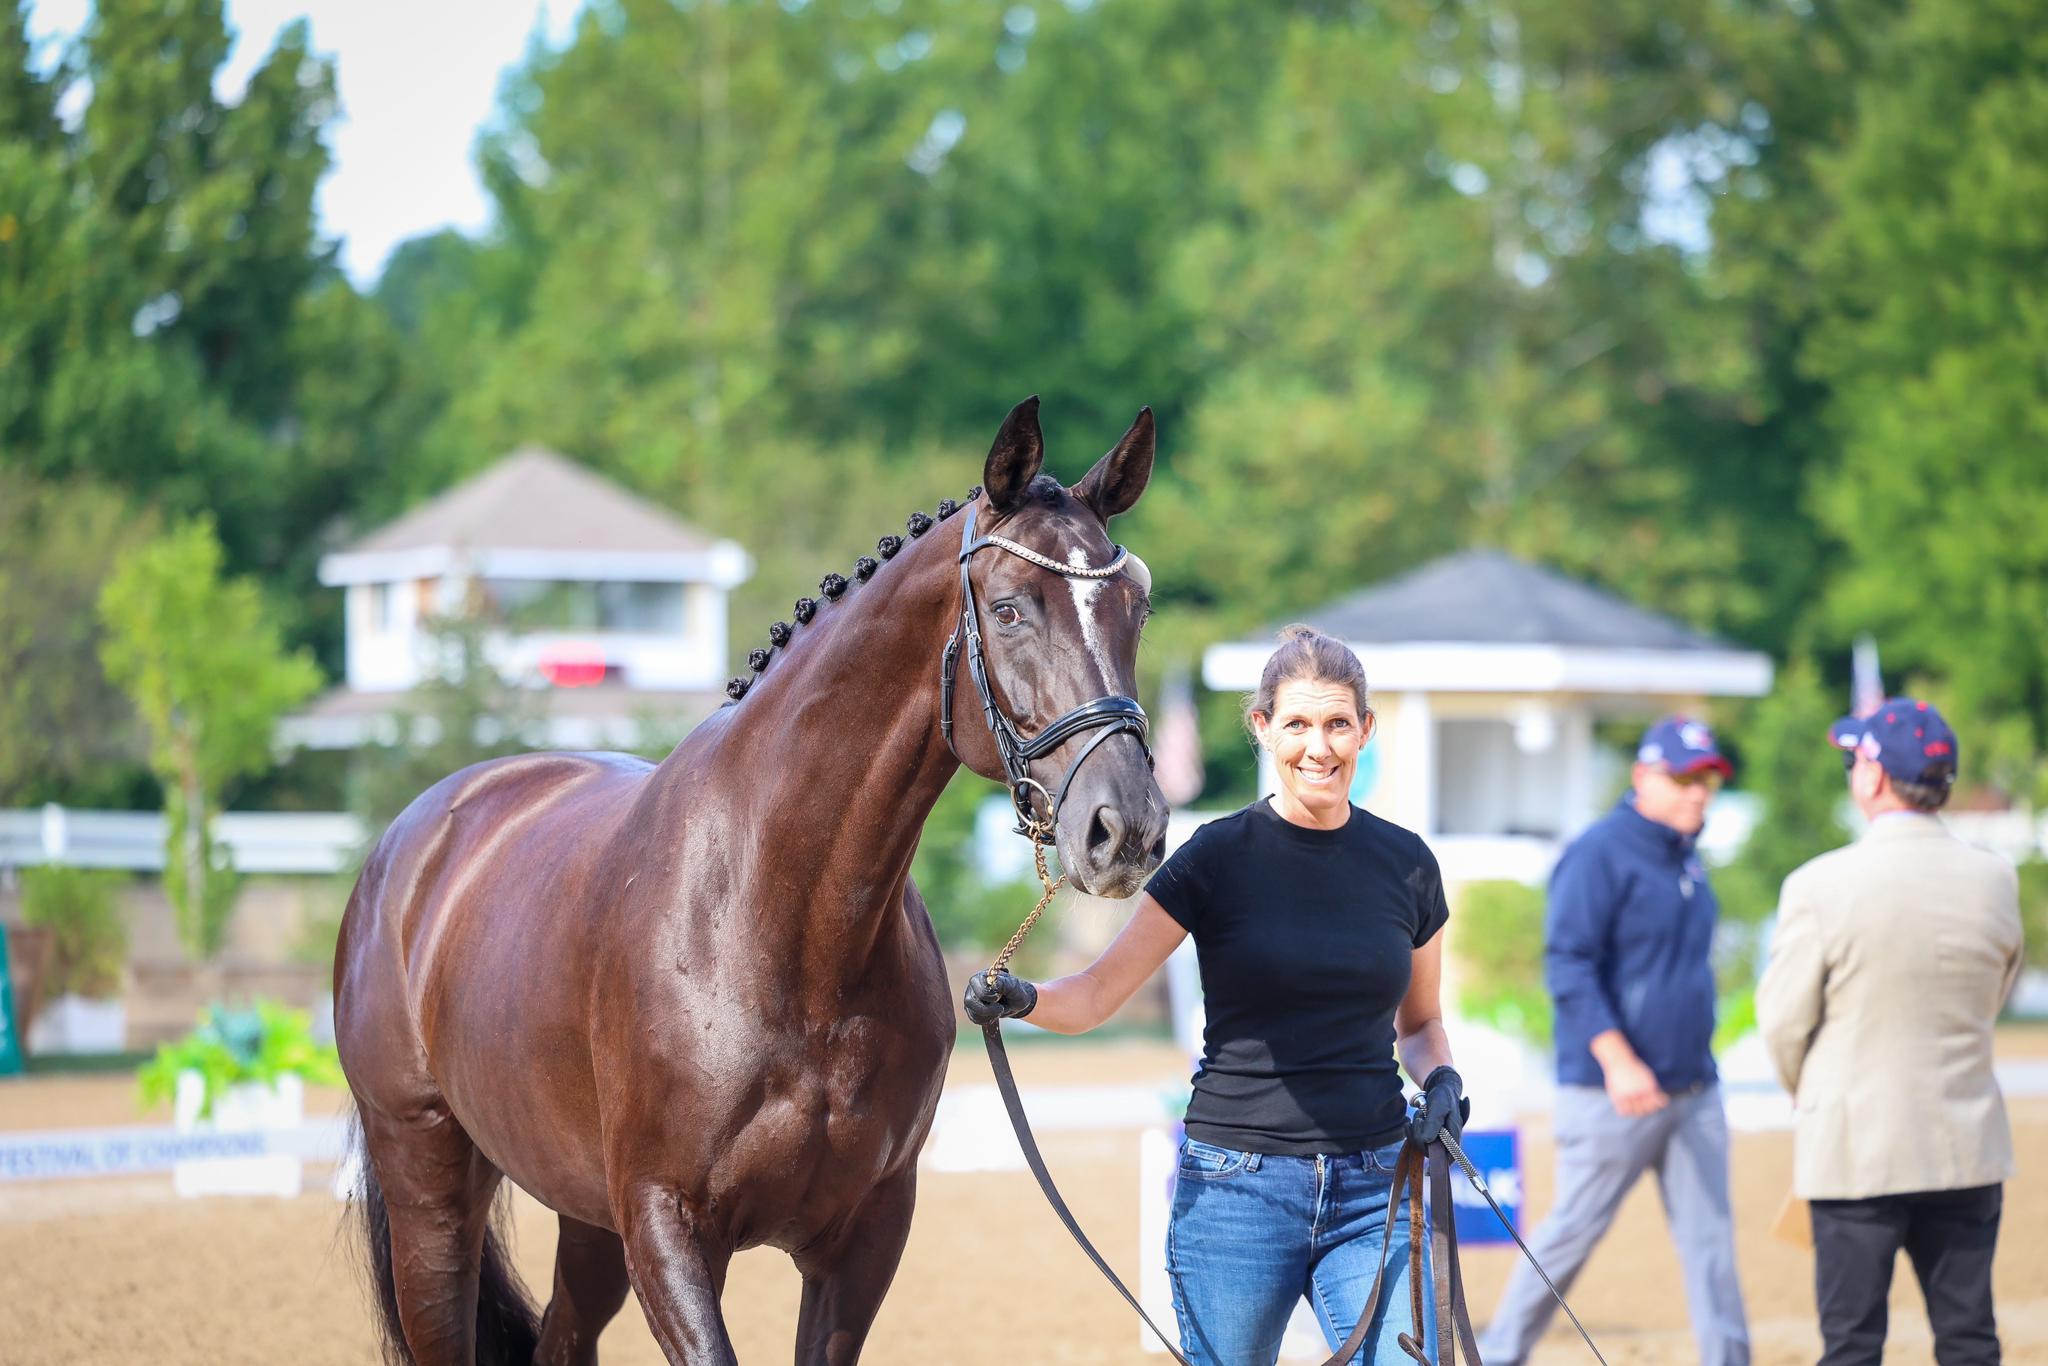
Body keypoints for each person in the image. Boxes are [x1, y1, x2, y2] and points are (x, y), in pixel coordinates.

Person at [964, 624, 1462, 1365]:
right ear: (1263, 728)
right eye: (1296, 723)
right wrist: (1024, 998)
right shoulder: (1215, 858)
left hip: (1376, 1189)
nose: (1317, 747)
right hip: (1236, 1192)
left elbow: (1420, 1023)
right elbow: (1099, 993)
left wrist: (1444, 1078)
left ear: (1365, 730)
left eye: (1336, 724)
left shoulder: (1409, 865)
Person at [1757, 699, 2023, 1366]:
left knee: (1852, 1345)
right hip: (1965, 1141)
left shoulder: (1820, 884)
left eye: (1854, 759)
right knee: (1969, 1340)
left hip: (1856, 1146)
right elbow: (1997, 991)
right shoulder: (1996, 879)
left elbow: (1784, 1020)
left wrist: (1806, 1087)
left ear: (1873, 777)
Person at [1478, 717, 1751, 1366]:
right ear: (1643, 777)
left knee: (1713, 1245)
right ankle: (1498, 1356)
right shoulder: (1598, 852)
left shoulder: (1687, 855)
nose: (1697, 793)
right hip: (1612, 1092)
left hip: (1693, 1089)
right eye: (1683, 778)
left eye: (1707, 779)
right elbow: (1568, 963)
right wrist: (1618, 1058)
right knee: (1570, 1234)